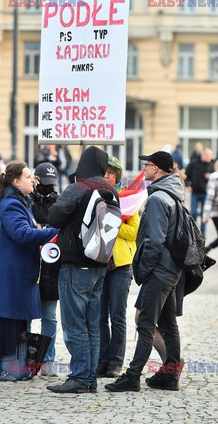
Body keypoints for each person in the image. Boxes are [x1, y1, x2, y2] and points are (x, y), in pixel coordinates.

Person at [105, 151, 183, 393]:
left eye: (148, 165)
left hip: (159, 270)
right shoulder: (173, 193)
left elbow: (154, 241)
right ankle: (170, 376)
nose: (145, 169)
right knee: (169, 324)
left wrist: (145, 269)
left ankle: (132, 375)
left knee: (146, 323)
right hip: (171, 269)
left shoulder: (159, 198)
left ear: (157, 169)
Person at [0, 160, 58, 381]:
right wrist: (53, 232)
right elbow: (22, 234)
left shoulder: (18, 201)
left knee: (13, 322)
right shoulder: (11, 204)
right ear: (16, 181)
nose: (33, 179)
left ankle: (7, 365)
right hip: (8, 276)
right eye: (28, 176)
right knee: (3, 322)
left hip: (13, 275)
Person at [47, 146, 119, 394]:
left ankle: (79, 377)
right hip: (100, 265)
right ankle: (89, 379)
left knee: (74, 324)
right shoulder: (111, 190)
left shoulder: (79, 188)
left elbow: (54, 217)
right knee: (92, 325)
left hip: (76, 265)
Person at [97, 156, 139, 379]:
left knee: (117, 315)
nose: (106, 177)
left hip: (121, 265)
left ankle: (116, 362)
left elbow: (134, 232)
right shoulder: (95, 196)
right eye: (104, 173)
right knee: (99, 316)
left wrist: (113, 224)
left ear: (117, 176)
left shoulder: (128, 199)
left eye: (110, 173)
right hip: (99, 262)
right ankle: (102, 360)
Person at [29, 162, 60, 376]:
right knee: (27, 316)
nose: (48, 188)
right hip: (31, 264)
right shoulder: (27, 200)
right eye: (44, 184)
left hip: (51, 266)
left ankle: (48, 360)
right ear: (35, 180)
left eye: (51, 184)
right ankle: (26, 358)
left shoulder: (58, 202)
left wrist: (45, 229)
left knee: (49, 316)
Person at [185, 148, 214, 237]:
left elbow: (217, 178)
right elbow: (186, 175)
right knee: (193, 212)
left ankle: (202, 235)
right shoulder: (194, 163)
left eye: (210, 156)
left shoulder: (212, 165)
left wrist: (211, 176)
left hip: (206, 193)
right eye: (208, 156)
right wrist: (188, 185)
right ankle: (193, 233)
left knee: (204, 215)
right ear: (203, 155)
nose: (209, 158)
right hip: (195, 192)